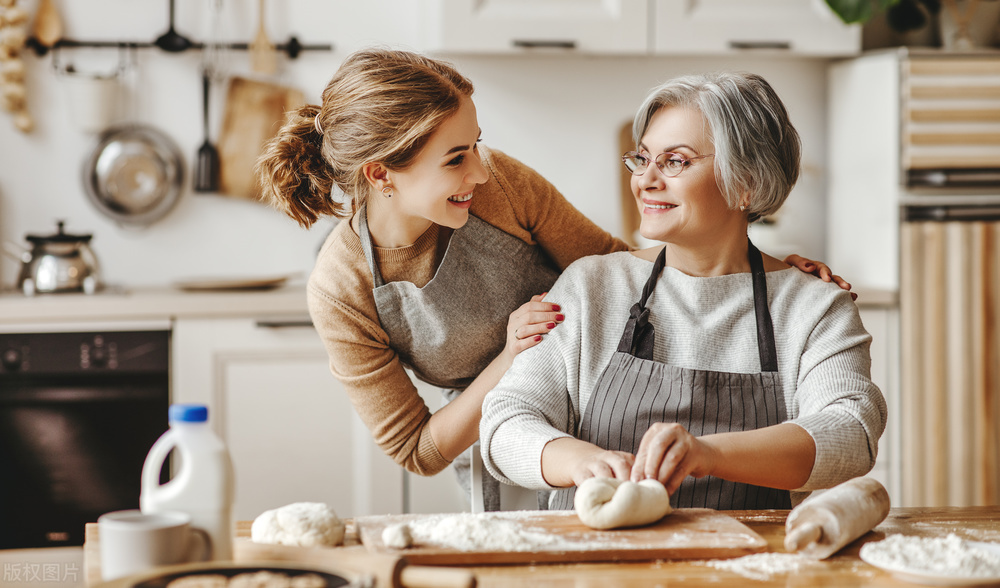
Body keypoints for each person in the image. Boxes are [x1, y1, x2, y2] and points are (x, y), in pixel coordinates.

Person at [256, 49, 851, 511]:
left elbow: (631, 271)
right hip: (503, 438)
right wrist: (515, 358)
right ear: (380, 174)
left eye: (476, 146)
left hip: (580, 398)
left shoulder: (506, 195)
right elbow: (421, 447)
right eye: (456, 158)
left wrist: (775, 276)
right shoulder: (341, 288)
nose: (481, 170)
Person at [480, 71, 887, 510]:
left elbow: (852, 432)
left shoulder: (813, 306)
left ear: (746, 183)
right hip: (591, 549)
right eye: (642, 158)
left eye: (674, 161)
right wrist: (583, 463)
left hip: (746, 550)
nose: (645, 180)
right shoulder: (591, 286)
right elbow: (505, 423)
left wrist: (707, 454)